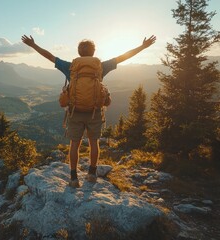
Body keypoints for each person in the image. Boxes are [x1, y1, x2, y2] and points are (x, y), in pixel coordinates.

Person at [21, 34, 156, 188]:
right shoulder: (100, 67)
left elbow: (50, 56)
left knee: (74, 144)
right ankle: (92, 174)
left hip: (74, 112)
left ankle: (73, 178)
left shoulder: (70, 67)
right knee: (94, 143)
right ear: (93, 52)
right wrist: (142, 47)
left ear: (79, 52)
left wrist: (33, 45)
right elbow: (122, 57)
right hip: (94, 112)